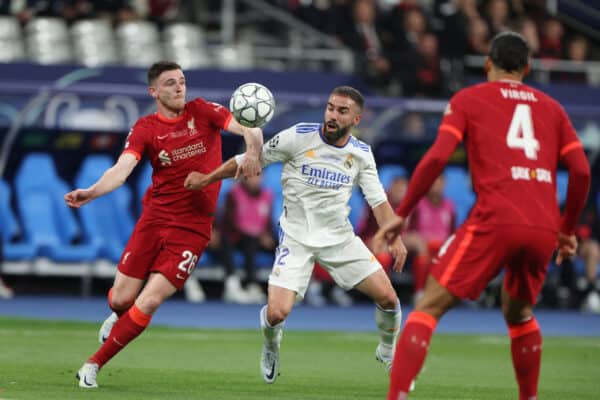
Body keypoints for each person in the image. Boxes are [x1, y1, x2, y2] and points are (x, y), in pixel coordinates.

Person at [373, 32, 591, 400]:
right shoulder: (553, 108)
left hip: (496, 217)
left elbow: (438, 156)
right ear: (528, 68)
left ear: (488, 63)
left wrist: (404, 211)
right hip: (543, 225)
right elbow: (582, 172)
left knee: (428, 306)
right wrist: (567, 231)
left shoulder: (468, 99)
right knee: (519, 312)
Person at [185, 86, 408, 384]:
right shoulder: (297, 136)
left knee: (390, 299)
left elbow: (378, 201)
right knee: (277, 313)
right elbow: (249, 161)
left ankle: (388, 350)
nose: (332, 115)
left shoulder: (362, 154)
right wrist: (207, 178)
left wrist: (394, 236)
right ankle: (270, 345)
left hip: (340, 239)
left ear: (356, 119)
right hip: (296, 239)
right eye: (330, 107)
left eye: (341, 111)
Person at [64, 60, 263, 388]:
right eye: (170, 83)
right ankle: (117, 315)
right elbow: (122, 169)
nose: (179, 87)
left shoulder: (203, 112)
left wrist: (253, 150)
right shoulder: (145, 128)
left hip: (193, 229)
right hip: (154, 220)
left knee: (151, 300)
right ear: (153, 91)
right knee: (120, 300)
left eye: (182, 81)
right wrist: (92, 192)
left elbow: (249, 126)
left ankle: (93, 365)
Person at [219, 173, 275, 304]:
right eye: (252, 176)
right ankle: (241, 284)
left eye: (259, 176)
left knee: (282, 246)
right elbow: (229, 221)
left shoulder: (267, 195)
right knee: (233, 239)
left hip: (259, 238)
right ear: (244, 178)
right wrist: (253, 233)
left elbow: (268, 222)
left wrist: (267, 234)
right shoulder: (233, 194)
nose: (256, 180)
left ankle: (287, 287)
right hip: (238, 237)